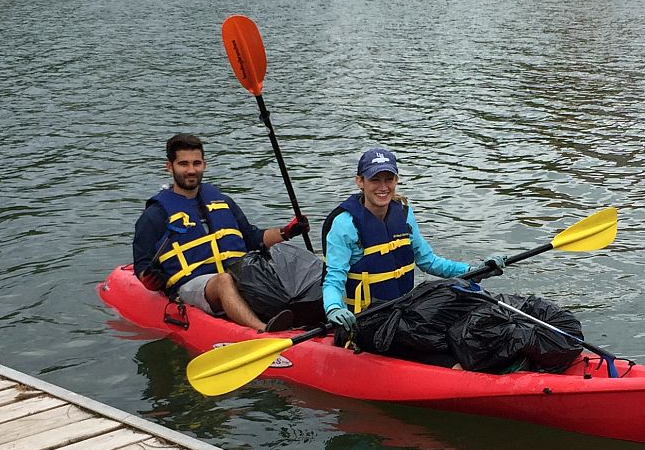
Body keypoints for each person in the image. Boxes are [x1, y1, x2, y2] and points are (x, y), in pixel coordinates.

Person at [133, 133, 307, 331]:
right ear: (169, 167)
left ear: (204, 165)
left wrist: (287, 232)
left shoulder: (222, 201)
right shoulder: (155, 214)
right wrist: (151, 278)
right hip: (193, 284)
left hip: (240, 275)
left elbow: (252, 238)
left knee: (287, 267)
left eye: (196, 163)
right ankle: (263, 330)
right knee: (224, 280)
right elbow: (142, 265)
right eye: (183, 164)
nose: (191, 170)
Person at [321, 148, 506, 332]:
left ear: (397, 180)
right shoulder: (345, 224)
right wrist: (334, 308)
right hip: (366, 321)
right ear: (360, 181)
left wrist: (477, 271)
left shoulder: (403, 214)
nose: (383, 187)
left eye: (389, 179)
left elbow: (429, 262)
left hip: (403, 313)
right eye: (375, 179)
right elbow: (333, 278)